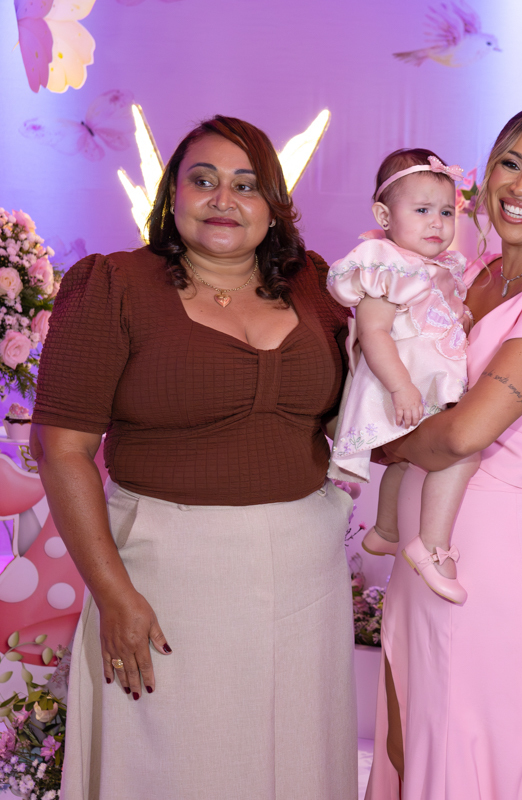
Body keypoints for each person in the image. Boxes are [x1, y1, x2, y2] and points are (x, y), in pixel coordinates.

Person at [30, 116, 357, 800]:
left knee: (297, 756)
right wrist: (114, 593)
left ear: (274, 204)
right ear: (171, 193)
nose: (222, 199)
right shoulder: (115, 285)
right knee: (178, 766)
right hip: (166, 574)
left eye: (246, 185)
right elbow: (61, 449)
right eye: (203, 180)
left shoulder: (314, 284)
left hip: (307, 573)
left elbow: (352, 414)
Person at [364, 106, 522, 800]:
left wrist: (375, 443)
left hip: (490, 567)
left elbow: (464, 434)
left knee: (476, 755)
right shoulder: (474, 271)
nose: (521, 186)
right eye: (510, 162)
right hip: (425, 554)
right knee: (412, 740)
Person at [327, 147, 479, 605]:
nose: (437, 223)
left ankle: (387, 530)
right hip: (402, 381)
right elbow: (373, 333)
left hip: (425, 378)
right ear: (384, 216)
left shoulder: (441, 268)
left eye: (446, 212)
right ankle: (431, 546)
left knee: (405, 461)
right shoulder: (384, 265)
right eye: (422, 210)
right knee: (461, 453)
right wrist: (401, 386)